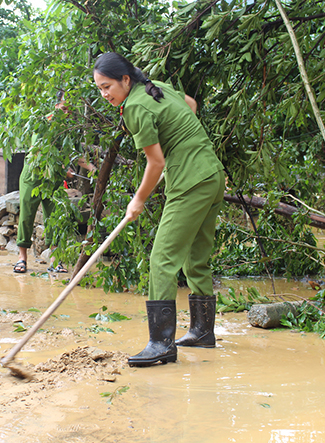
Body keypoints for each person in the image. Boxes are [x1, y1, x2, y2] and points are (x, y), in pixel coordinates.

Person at [93, 52, 226, 367]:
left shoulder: (136, 107)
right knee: (196, 256)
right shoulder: (156, 88)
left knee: (161, 259)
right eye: (99, 88)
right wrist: (183, 141)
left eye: (108, 86)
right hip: (212, 174)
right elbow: (190, 105)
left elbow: (156, 162)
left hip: (191, 180)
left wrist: (138, 199)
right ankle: (202, 332)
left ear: (125, 80)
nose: (104, 94)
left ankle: (160, 344)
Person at [13, 92, 96, 274]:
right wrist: (63, 169)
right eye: (64, 108)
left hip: (54, 180)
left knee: (56, 219)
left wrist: (93, 169)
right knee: (26, 217)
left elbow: (76, 154)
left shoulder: (69, 129)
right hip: (32, 177)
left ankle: (55, 261)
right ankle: (22, 258)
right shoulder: (43, 125)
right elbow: (41, 154)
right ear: (55, 106)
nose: (67, 112)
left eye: (70, 110)